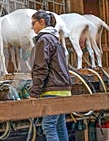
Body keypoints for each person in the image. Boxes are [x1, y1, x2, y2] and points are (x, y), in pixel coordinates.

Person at [30, 10, 72, 141]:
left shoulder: (43, 40)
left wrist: (34, 91)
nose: (32, 27)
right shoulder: (55, 39)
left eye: (33, 23)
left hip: (52, 89)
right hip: (63, 89)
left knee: (48, 125)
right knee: (59, 125)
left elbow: (41, 67)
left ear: (42, 22)